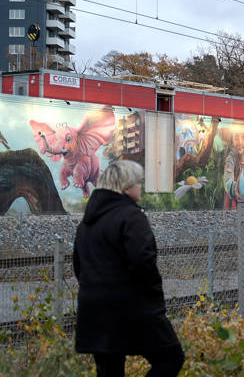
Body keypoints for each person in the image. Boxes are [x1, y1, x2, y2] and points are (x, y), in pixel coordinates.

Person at [73, 160, 184, 377]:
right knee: (171, 358)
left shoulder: (87, 222)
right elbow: (143, 262)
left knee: (109, 371)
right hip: (132, 310)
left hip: (94, 311)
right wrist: (154, 298)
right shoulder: (131, 216)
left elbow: (79, 266)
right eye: (138, 183)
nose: (140, 187)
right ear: (125, 187)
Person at [223, 125, 244, 210]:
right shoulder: (231, 158)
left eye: (243, 137)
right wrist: (236, 189)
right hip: (233, 204)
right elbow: (227, 182)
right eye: (236, 138)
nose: (240, 142)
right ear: (231, 141)